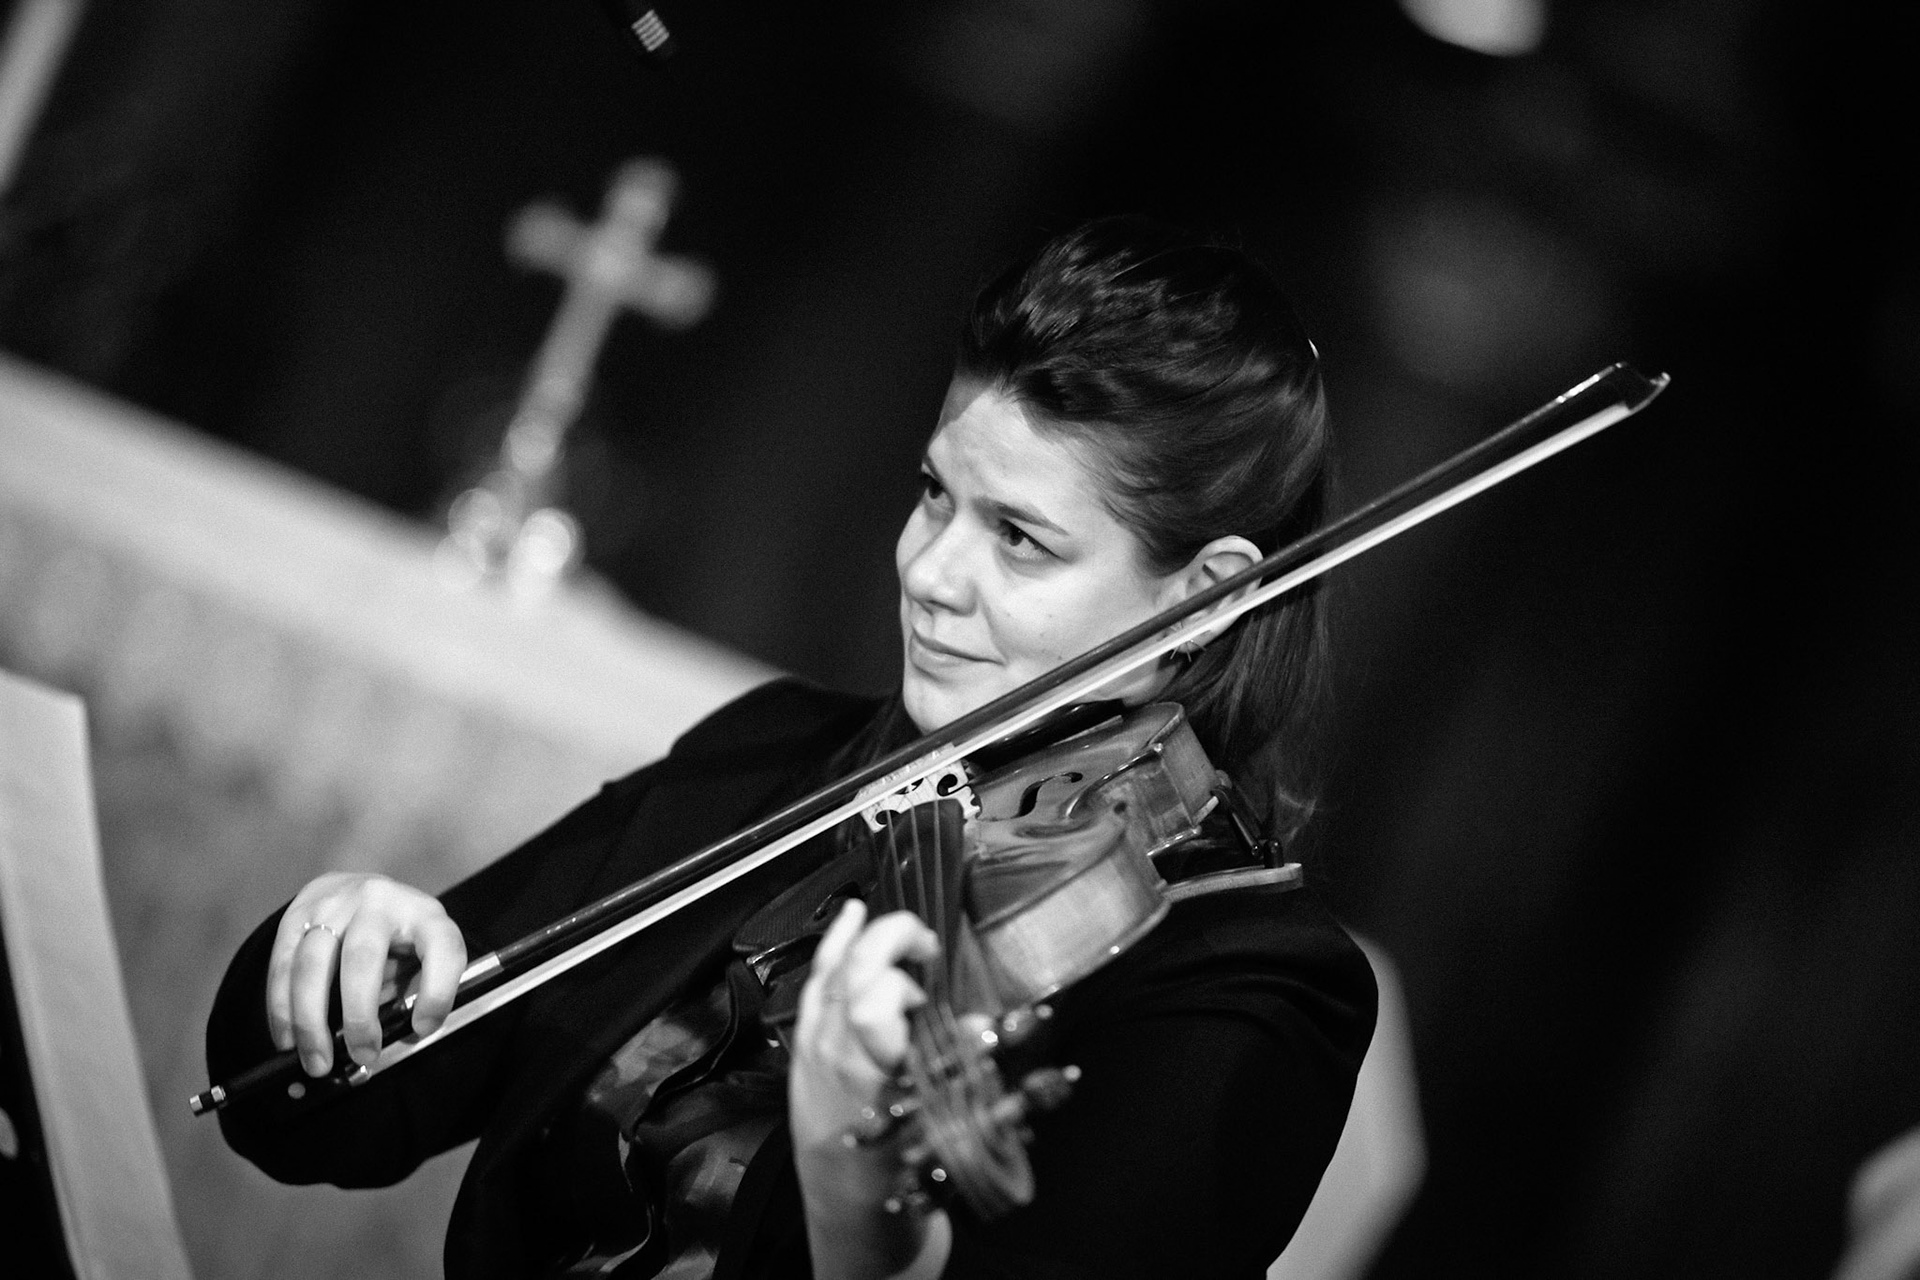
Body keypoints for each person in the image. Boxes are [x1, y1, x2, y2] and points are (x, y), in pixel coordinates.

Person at [206, 216, 1378, 1279]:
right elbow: (327, 1114)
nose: (928, 571)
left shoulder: (1246, 980)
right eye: (934, 494)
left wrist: (857, 1199)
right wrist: (344, 946)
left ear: (1207, 596)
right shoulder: (774, 761)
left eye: (1020, 539)